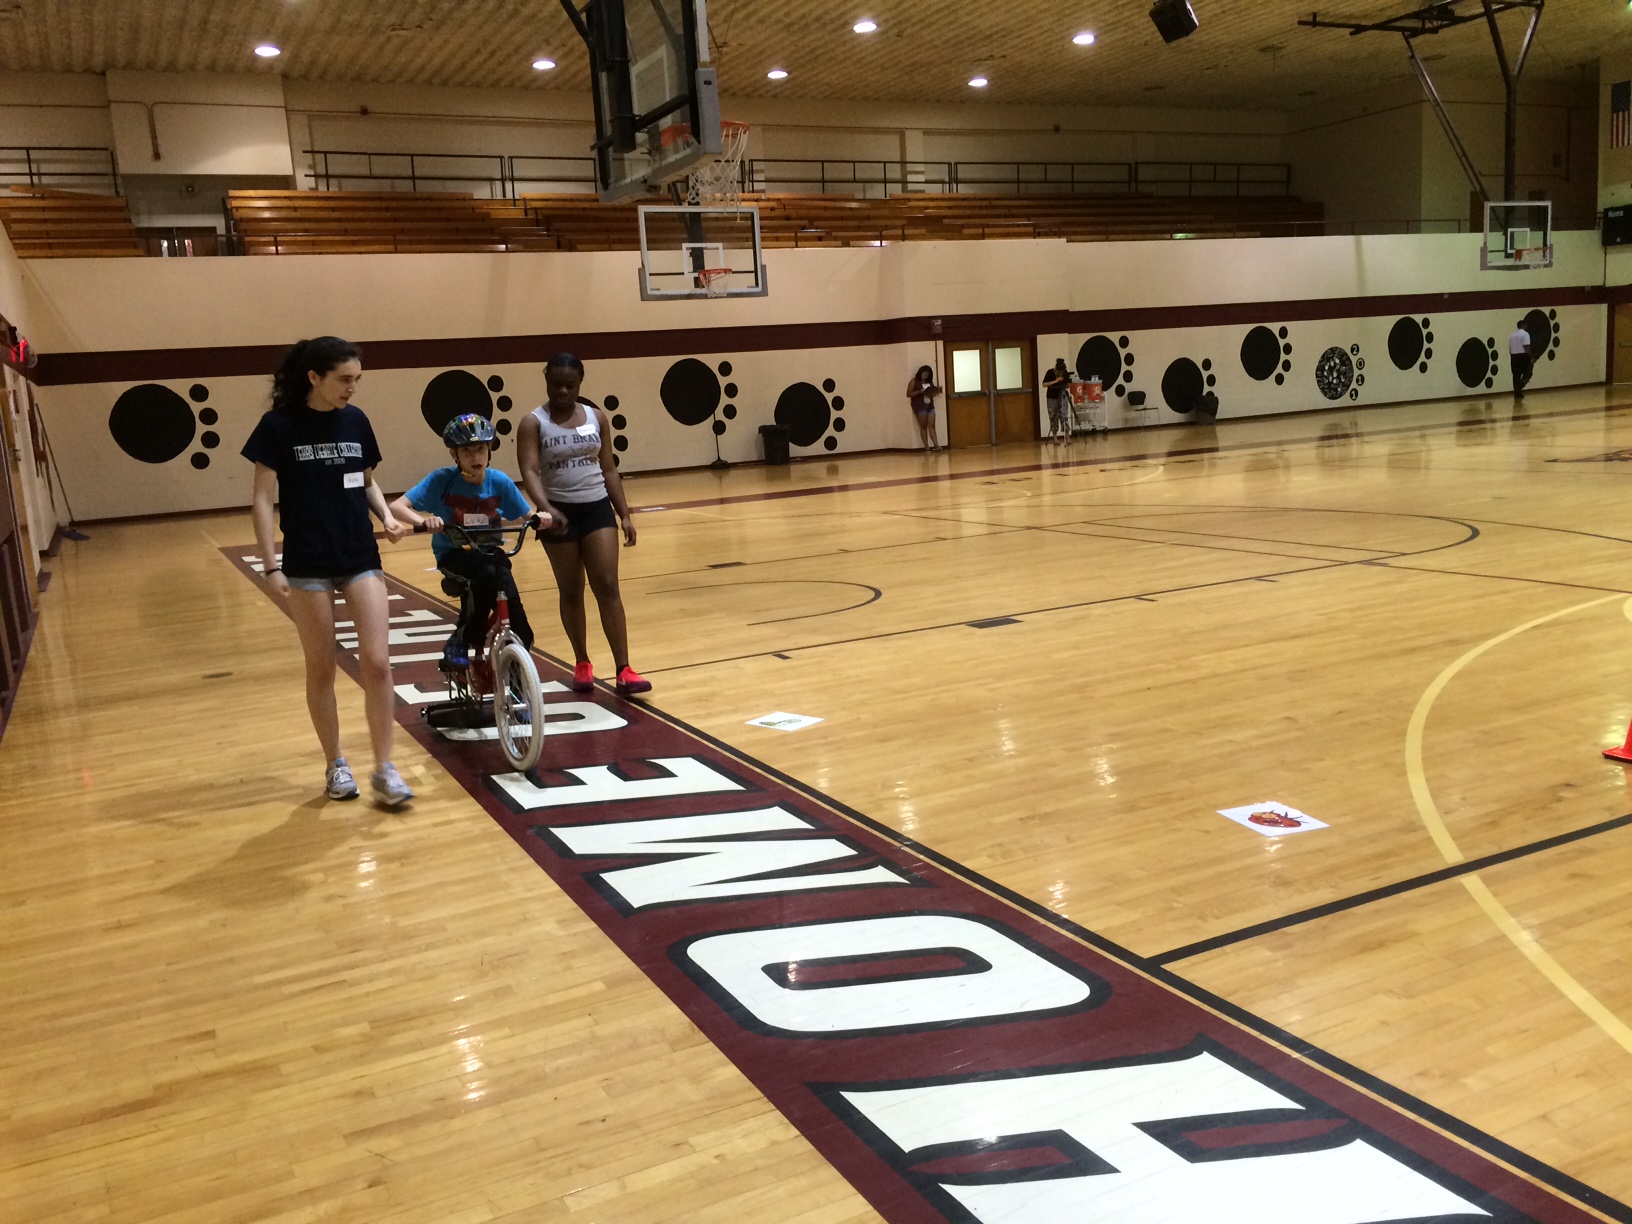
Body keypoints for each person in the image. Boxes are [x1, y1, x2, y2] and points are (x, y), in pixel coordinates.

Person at [242, 337, 414, 807]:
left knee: (377, 663)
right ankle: (336, 763)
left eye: (357, 379)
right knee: (322, 668)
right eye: (344, 379)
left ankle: (385, 767)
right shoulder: (277, 426)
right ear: (313, 377)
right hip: (307, 563)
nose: (352, 389)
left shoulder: (356, 421)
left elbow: (366, 480)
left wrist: (387, 517)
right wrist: (270, 564)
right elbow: (262, 498)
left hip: (358, 556)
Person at [517, 353, 652, 697]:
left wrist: (624, 514)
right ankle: (582, 662)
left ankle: (624, 669)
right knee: (571, 590)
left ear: (580, 384)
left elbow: (608, 468)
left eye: (570, 385)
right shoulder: (533, 422)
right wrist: (546, 509)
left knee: (607, 585)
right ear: (546, 380)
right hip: (557, 512)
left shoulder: (597, 417)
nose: (563, 391)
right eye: (556, 384)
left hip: (596, 508)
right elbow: (530, 471)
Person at [388, 413, 543, 670]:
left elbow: (528, 514)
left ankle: (517, 685)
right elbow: (397, 506)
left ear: (489, 450)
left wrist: (540, 517)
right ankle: (460, 641)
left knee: (520, 625)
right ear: (454, 455)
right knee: (482, 578)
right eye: (467, 451)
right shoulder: (442, 480)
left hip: (490, 554)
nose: (475, 457)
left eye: (480, 449)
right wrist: (424, 521)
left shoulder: (499, 481)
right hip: (454, 555)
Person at [907, 364, 943, 451]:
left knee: (932, 425)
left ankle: (936, 445)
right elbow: (908, 394)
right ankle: (926, 446)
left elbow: (931, 394)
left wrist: (936, 392)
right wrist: (920, 391)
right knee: (923, 426)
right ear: (920, 373)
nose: (925, 376)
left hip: (929, 405)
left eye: (928, 375)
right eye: (924, 374)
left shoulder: (930, 382)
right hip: (919, 406)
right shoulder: (914, 381)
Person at [1043, 358, 1073, 442]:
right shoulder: (1050, 372)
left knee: (1064, 416)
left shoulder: (1065, 372)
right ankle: (1055, 438)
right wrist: (1056, 381)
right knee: (1053, 417)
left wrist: (1066, 381)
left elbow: (1067, 386)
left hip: (1062, 396)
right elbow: (1044, 384)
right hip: (1052, 397)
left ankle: (1067, 437)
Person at [1508, 323, 1533, 397]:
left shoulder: (1512, 335)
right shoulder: (1525, 334)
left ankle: (1516, 391)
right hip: (1523, 355)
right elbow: (1526, 346)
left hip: (1514, 356)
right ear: (1524, 325)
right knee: (1527, 373)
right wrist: (1531, 356)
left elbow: (1510, 347)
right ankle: (1519, 387)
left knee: (1516, 375)